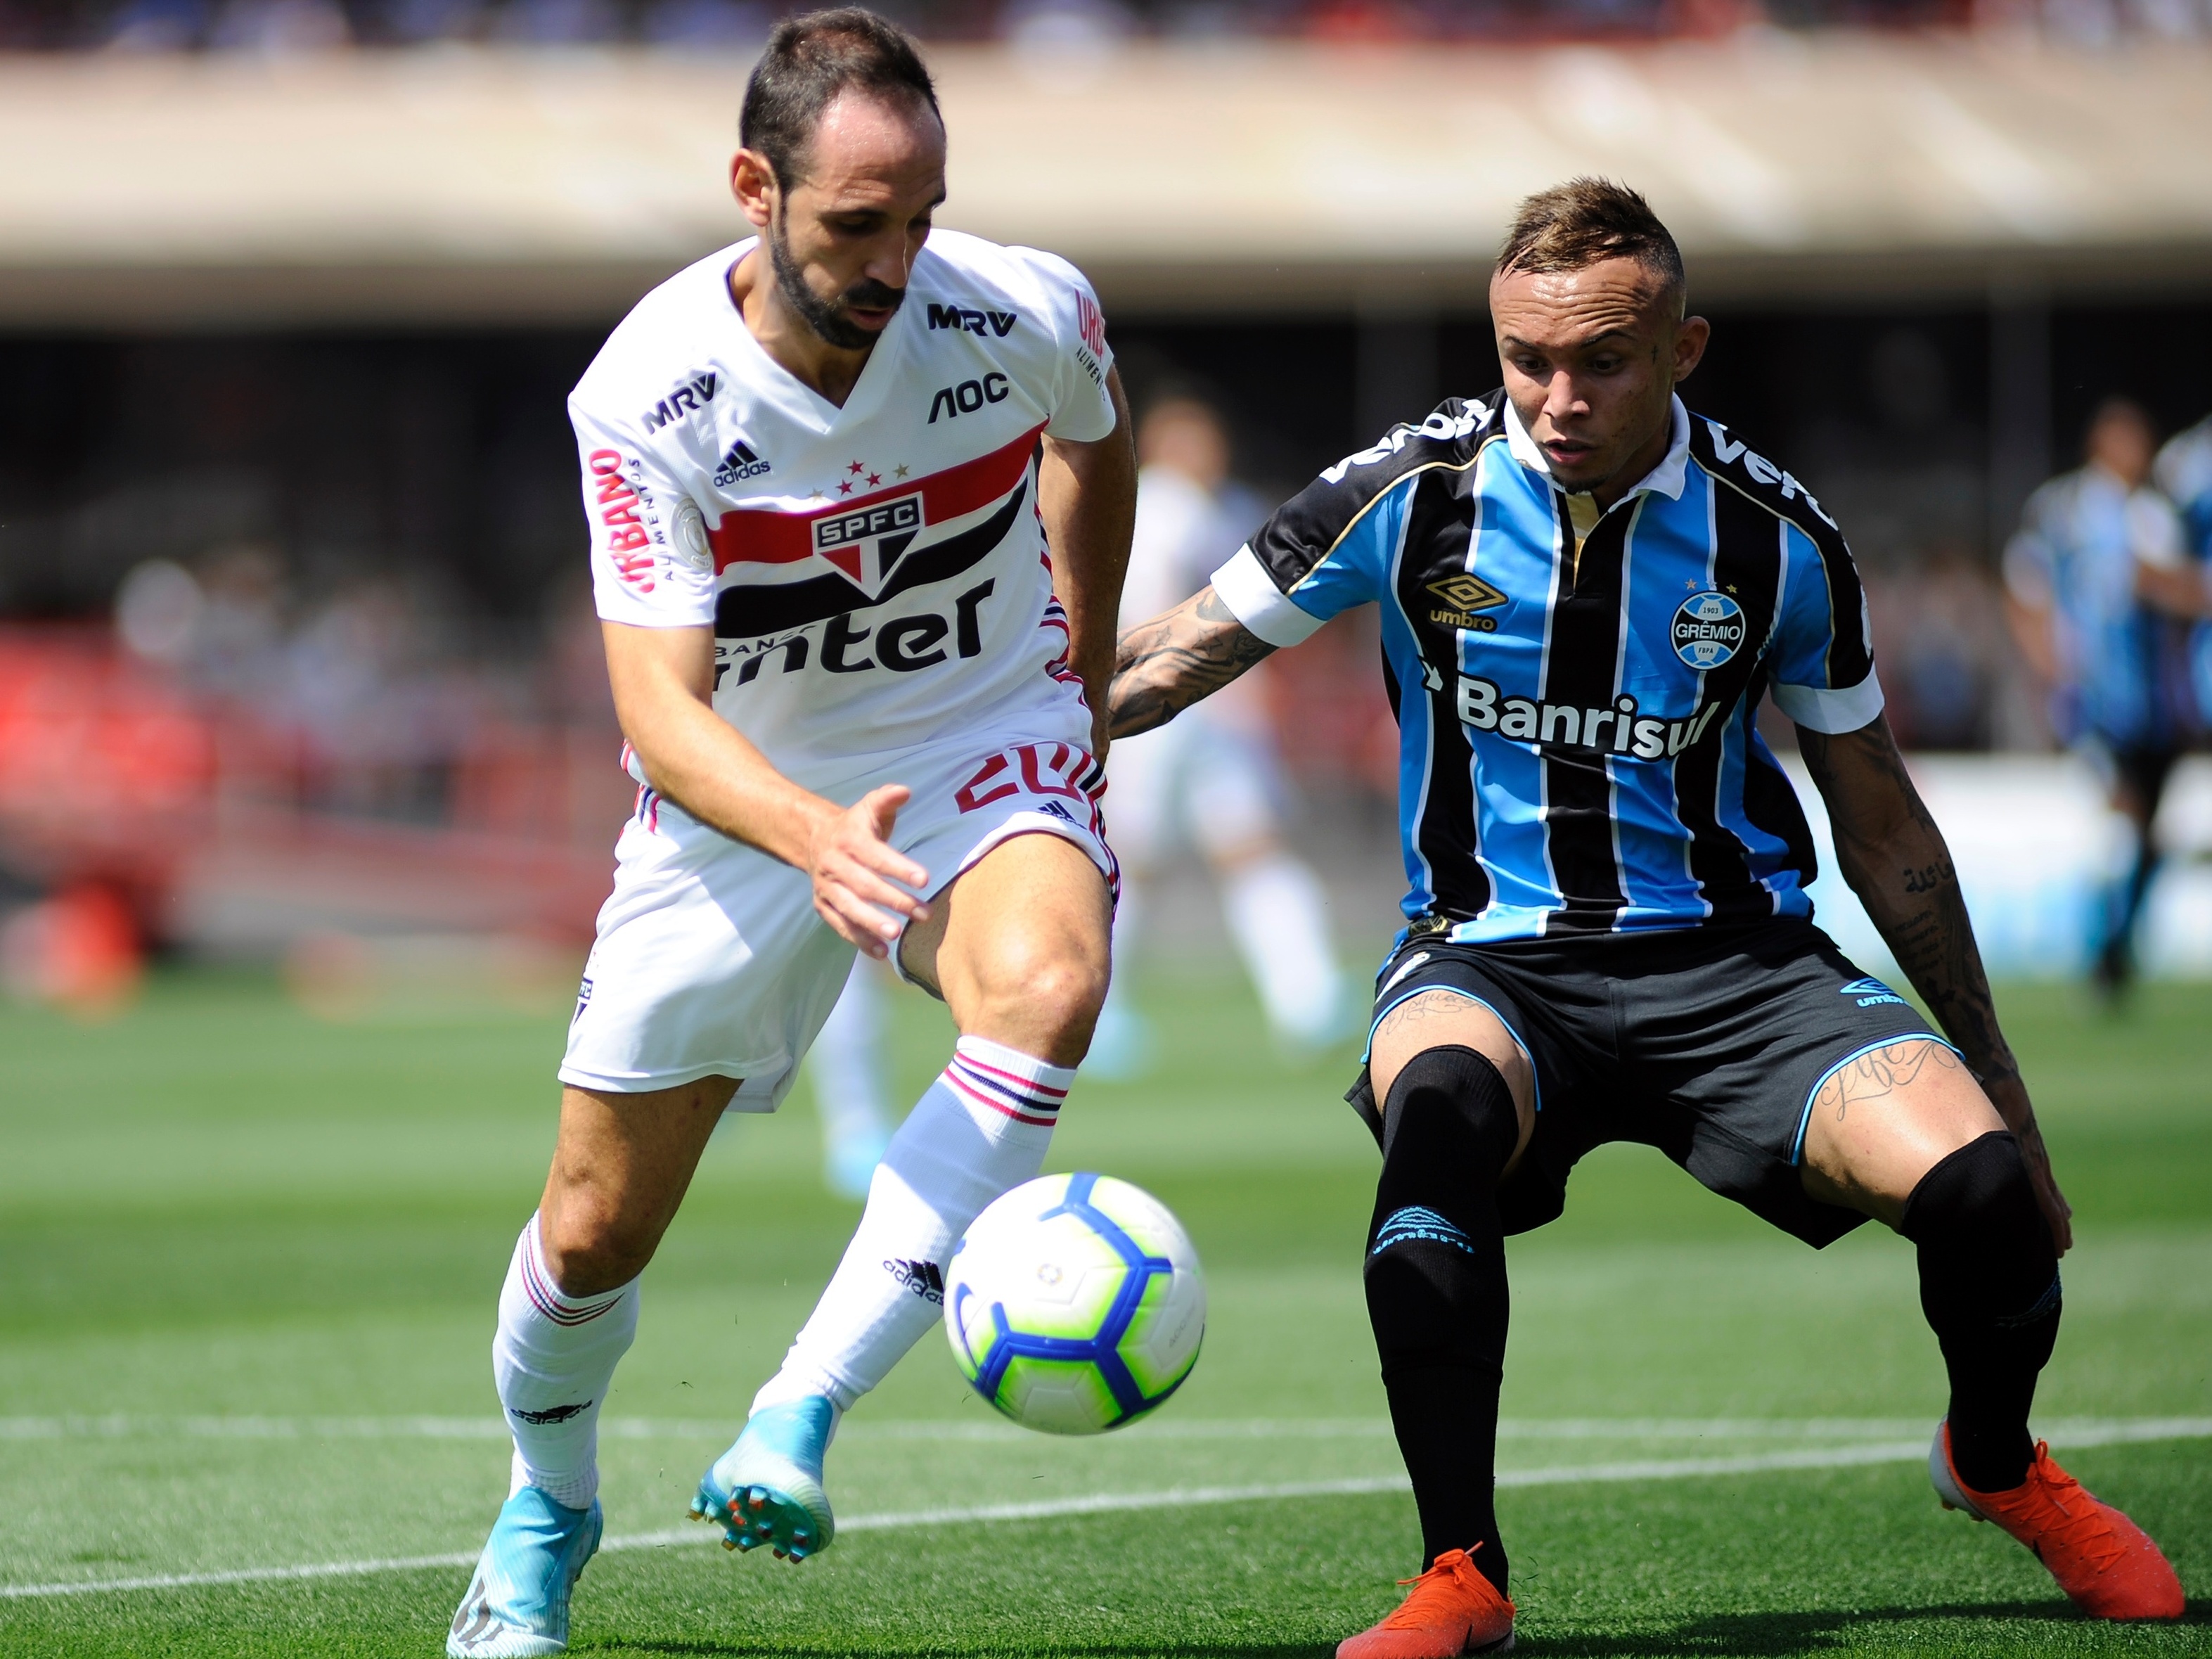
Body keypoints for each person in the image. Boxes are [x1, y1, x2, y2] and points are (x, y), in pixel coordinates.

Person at [1111, 179, 2184, 1655]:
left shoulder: (1776, 539)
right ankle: (1460, 1575)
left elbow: (1883, 826)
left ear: (1683, 349)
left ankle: (1996, 1462)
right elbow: (1172, 654)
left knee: (1987, 1201)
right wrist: (947, 757)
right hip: (1487, 961)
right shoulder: (1407, 490)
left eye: (1598, 361)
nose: (1555, 397)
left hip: (1738, 964)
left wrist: (2009, 1101)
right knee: (1431, 1137)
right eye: (1523, 360)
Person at [446, 12, 1136, 1654]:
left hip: (978, 738)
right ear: (753, 188)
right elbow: (660, 715)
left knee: (1044, 988)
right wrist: (810, 831)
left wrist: (1080, 681)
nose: (900, 260)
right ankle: (547, 1507)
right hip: (740, 793)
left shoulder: (1022, 309)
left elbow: (1091, 451)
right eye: (855, 224)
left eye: (923, 214)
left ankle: (795, 1419)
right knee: (595, 1228)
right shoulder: (646, 397)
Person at [1094, 395, 1349, 1072]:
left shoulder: (1230, 507)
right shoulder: (1156, 504)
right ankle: (1100, 1007)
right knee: (1130, 857)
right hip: (1156, 710)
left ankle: (1308, 996)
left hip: (1219, 712)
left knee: (1250, 846)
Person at [2004, 399, 2211, 995]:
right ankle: (2102, 952)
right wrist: (2050, 666)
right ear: (2100, 443)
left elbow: (2164, 587)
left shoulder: (2152, 511)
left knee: (2150, 834)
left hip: (2156, 706)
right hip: (2095, 700)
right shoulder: (2062, 507)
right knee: (2125, 816)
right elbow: (2026, 586)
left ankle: (2115, 952)